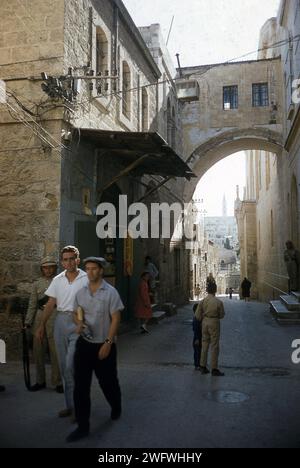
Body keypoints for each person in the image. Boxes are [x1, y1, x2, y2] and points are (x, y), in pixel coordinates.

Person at [66, 257, 124, 443]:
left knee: (108, 383)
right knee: (80, 387)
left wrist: (108, 343)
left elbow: (115, 318)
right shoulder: (81, 293)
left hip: (103, 344)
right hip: (84, 345)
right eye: (88, 268)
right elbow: (75, 313)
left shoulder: (111, 293)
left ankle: (116, 406)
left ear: (101, 271)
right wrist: (79, 323)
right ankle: (83, 426)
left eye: (93, 269)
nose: (89, 272)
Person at [36, 246, 88, 419]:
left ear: (78, 260)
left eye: (71, 258)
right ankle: (70, 406)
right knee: (65, 368)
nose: (68, 262)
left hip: (78, 322)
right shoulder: (57, 280)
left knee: (72, 366)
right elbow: (51, 303)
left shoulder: (86, 278)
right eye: (65, 259)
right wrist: (41, 326)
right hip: (60, 322)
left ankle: (80, 407)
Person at [25, 256, 62, 393]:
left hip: (55, 316)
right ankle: (40, 381)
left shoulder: (60, 282)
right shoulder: (36, 284)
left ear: (55, 268)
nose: (48, 270)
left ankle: (58, 381)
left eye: (51, 267)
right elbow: (32, 305)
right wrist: (28, 322)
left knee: (55, 351)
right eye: (46, 267)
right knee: (38, 351)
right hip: (39, 318)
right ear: (42, 269)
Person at [196, 282, 225, 376]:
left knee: (204, 344)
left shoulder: (203, 301)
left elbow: (197, 315)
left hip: (205, 322)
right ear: (215, 290)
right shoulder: (218, 302)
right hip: (214, 322)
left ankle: (203, 366)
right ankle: (214, 368)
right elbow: (222, 315)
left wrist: (203, 319)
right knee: (214, 345)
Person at [192, 303, 202, 370]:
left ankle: (198, 364)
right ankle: (197, 365)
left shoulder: (196, 317)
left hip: (198, 337)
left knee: (198, 351)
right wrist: (197, 339)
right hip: (197, 337)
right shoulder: (197, 318)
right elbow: (195, 329)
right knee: (197, 351)